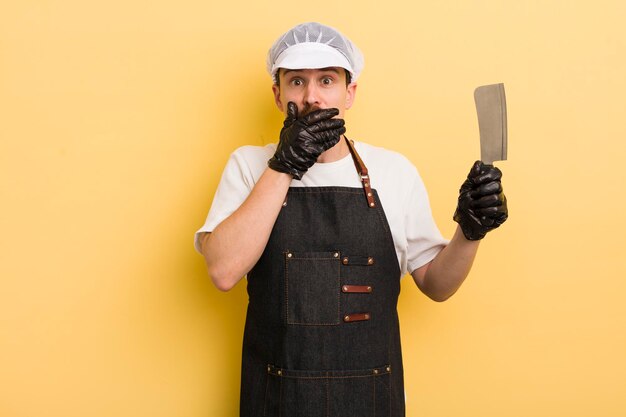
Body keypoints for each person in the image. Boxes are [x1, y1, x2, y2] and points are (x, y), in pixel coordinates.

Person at [195, 22, 507, 417]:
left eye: (326, 80)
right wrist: (285, 165)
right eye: (296, 82)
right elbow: (223, 271)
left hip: (371, 400)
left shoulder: (394, 171)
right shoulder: (249, 166)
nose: (312, 97)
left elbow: (438, 286)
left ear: (350, 92)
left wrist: (470, 231)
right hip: (276, 401)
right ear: (277, 95)